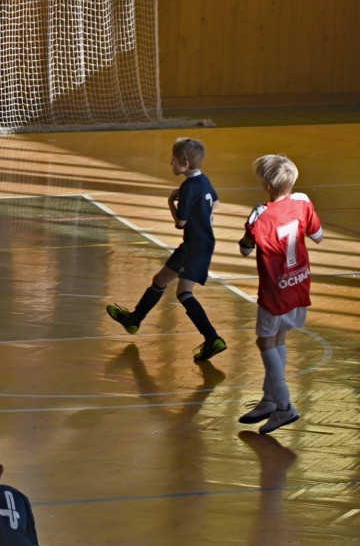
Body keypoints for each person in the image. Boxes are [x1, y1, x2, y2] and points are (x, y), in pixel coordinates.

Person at [106, 137, 227, 362]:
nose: (171, 163)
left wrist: (171, 202)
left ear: (185, 162)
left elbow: (180, 222)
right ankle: (134, 320)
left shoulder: (188, 186)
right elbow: (216, 204)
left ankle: (213, 338)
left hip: (196, 246)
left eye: (173, 160)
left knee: (184, 292)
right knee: (160, 280)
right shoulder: (203, 180)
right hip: (196, 244)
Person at [236, 154, 323, 434]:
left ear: (266, 185)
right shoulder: (303, 202)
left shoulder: (260, 214)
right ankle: (269, 400)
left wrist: (247, 240)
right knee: (278, 338)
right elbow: (318, 235)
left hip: (275, 289)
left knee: (264, 342)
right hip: (299, 282)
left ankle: (284, 405)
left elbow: (245, 248)